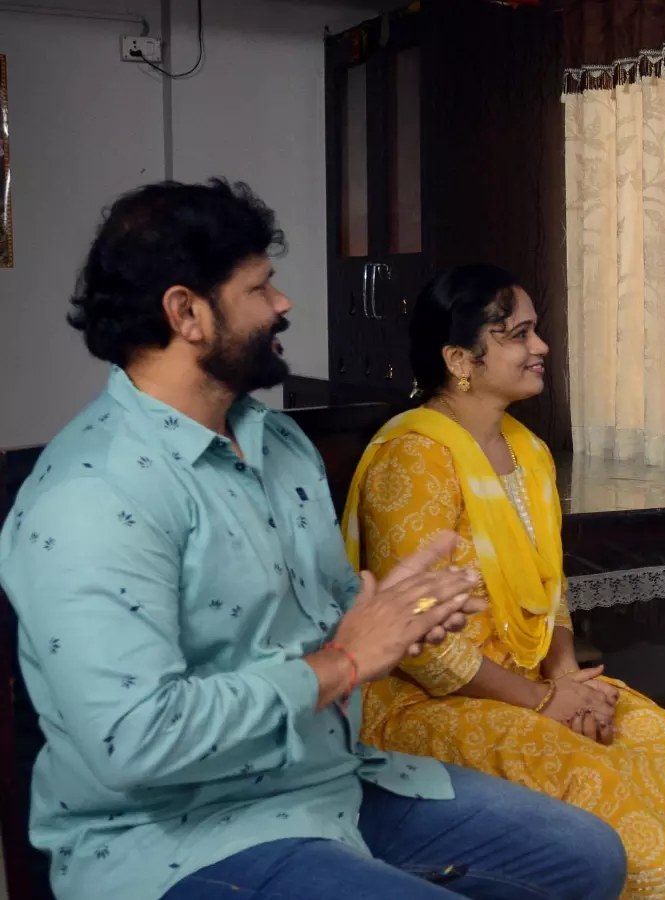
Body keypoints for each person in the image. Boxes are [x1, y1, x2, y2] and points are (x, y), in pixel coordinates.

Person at [0, 180, 628, 900]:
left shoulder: (281, 443)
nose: (283, 303)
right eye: (259, 287)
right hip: (177, 836)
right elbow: (137, 740)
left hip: (329, 781)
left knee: (588, 856)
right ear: (186, 312)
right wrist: (346, 659)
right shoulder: (92, 494)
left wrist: (399, 616)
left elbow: (325, 618)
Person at [343, 265, 665, 900]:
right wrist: (541, 701)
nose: (540, 347)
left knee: (659, 737)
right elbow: (422, 643)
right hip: (426, 699)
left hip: (530, 678)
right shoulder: (414, 456)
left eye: (535, 331)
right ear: (460, 359)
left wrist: (568, 682)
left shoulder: (528, 451)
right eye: (518, 334)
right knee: (595, 778)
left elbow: (550, 588)